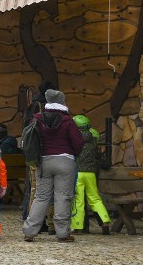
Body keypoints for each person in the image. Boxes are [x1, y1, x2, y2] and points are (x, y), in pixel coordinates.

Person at [22, 89, 84, 243]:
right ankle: (62, 233)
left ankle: (30, 231)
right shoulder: (67, 120)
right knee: (63, 197)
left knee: (41, 197)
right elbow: (78, 142)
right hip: (65, 161)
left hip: (43, 162)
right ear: (62, 102)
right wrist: (73, 155)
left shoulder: (37, 119)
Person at [71, 115, 111, 235]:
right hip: (91, 174)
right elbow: (101, 159)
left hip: (78, 173)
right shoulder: (93, 141)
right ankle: (105, 221)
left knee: (78, 200)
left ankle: (78, 227)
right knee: (95, 198)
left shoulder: (74, 140)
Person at [21, 81, 55, 221]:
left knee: (35, 188)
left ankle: (34, 219)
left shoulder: (33, 105)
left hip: (34, 152)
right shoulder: (40, 107)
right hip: (40, 152)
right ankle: (41, 221)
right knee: (39, 189)